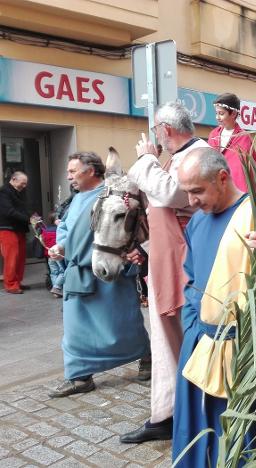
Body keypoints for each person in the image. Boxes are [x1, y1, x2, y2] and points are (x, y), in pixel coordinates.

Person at [172, 147, 256, 467]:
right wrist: (192, 324)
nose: (191, 202)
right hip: (202, 346)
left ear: (222, 178)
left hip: (250, 350)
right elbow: (191, 279)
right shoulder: (196, 224)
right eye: (187, 192)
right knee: (202, 432)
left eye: (197, 191)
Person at [122, 102, 210, 444]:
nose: (156, 139)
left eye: (157, 132)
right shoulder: (180, 156)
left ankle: (181, 412)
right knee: (163, 340)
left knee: (176, 337)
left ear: (166, 130)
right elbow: (163, 212)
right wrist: (144, 251)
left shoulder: (197, 154)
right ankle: (167, 412)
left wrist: (146, 158)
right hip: (163, 258)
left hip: (182, 263)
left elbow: (173, 195)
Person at [47, 152, 150, 398]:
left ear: (91, 171)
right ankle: (80, 376)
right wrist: (60, 247)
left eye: (73, 171)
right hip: (79, 273)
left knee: (124, 323)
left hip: (110, 272)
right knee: (75, 328)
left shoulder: (113, 194)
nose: (69, 176)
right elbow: (67, 230)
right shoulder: (75, 200)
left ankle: (146, 357)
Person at [207, 92, 256, 192]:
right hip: (215, 191)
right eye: (216, 113)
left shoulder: (244, 138)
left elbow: (253, 169)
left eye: (221, 114)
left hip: (238, 193)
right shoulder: (213, 135)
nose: (217, 117)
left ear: (234, 114)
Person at [0, 171, 29, 294]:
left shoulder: (17, 192)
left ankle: (17, 282)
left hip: (18, 228)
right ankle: (11, 285)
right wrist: (28, 219)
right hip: (7, 228)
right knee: (12, 256)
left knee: (20, 257)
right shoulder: (4, 192)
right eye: (22, 183)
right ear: (13, 179)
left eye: (25, 184)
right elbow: (9, 211)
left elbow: (21, 209)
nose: (24, 186)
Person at [41, 213, 64, 298]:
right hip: (58, 255)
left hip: (50, 255)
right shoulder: (59, 230)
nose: (61, 220)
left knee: (54, 273)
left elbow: (44, 242)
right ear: (55, 221)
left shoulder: (45, 230)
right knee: (63, 271)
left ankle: (56, 291)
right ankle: (56, 287)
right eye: (59, 219)